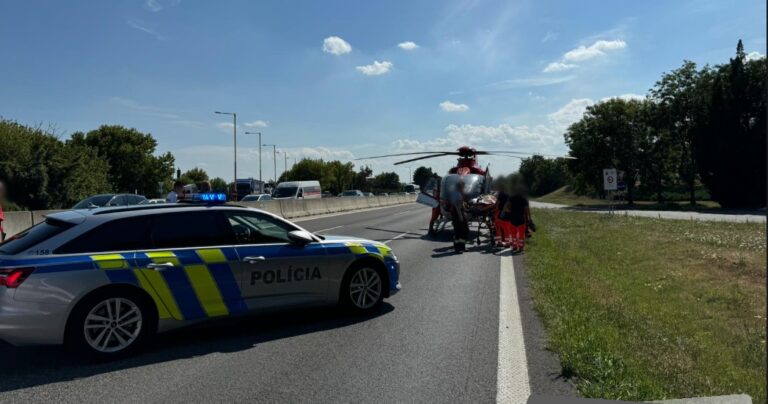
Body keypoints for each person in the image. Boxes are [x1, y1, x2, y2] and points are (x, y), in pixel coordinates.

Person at [504, 186, 530, 253]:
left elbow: (507, 208)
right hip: (521, 219)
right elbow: (526, 210)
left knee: (513, 234)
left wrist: (510, 211)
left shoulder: (511, 198)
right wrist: (528, 218)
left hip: (512, 218)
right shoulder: (524, 199)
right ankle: (520, 247)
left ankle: (514, 247)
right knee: (521, 235)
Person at [449, 180, 469, 253]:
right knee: (462, 230)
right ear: (460, 187)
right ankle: (458, 248)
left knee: (460, 231)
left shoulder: (455, 193)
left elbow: (459, 204)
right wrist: (460, 215)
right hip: (458, 214)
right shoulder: (457, 194)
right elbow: (457, 206)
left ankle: (461, 247)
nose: (464, 188)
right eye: (463, 186)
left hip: (456, 213)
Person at [493, 181, 511, 248]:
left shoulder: (501, 194)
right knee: (507, 229)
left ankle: (499, 242)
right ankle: (508, 243)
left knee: (498, 228)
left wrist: (494, 208)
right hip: (508, 213)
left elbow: (497, 203)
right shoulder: (509, 194)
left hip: (500, 213)